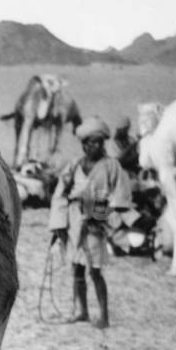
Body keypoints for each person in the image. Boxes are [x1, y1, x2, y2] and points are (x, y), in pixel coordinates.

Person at [49, 117, 132, 329]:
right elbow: (60, 194)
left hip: (96, 222)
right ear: (84, 144)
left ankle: (104, 316)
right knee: (76, 268)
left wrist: (102, 216)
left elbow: (121, 197)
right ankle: (83, 311)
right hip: (74, 221)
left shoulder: (111, 166)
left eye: (99, 142)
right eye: (92, 142)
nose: (96, 146)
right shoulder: (75, 165)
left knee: (95, 270)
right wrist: (59, 225)